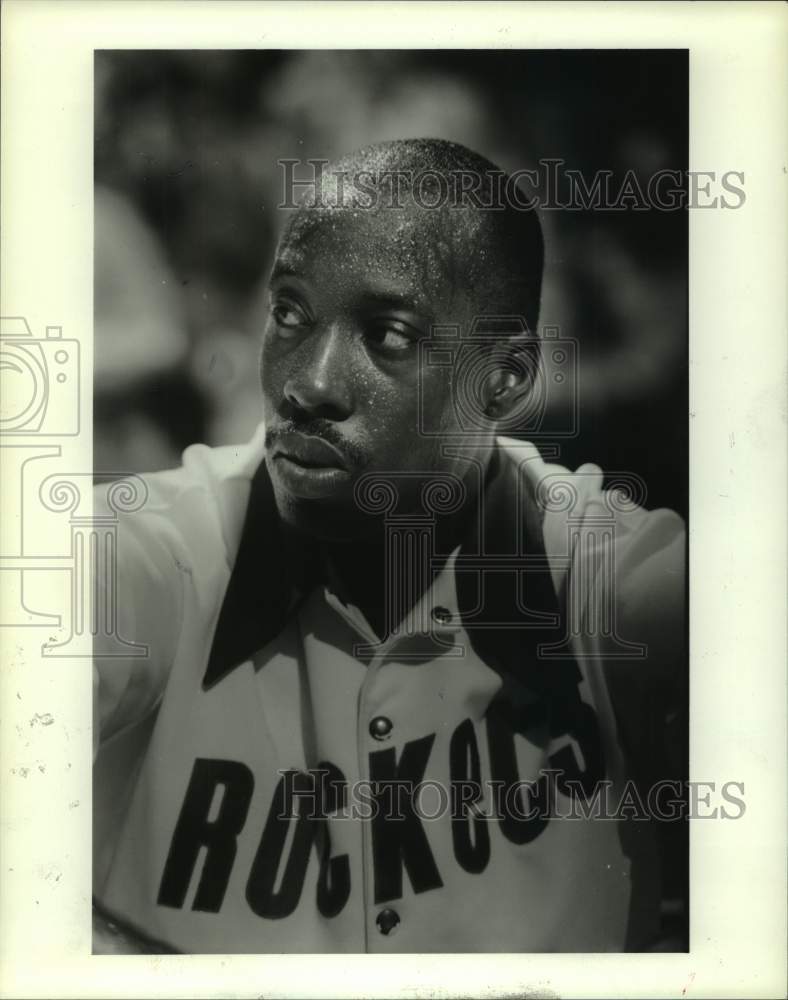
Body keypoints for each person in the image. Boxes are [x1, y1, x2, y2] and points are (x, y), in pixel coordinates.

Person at [92, 139, 686, 954]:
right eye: (290, 313)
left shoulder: (604, 574)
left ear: (504, 379)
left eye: (389, 335)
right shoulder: (159, 552)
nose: (310, 382)